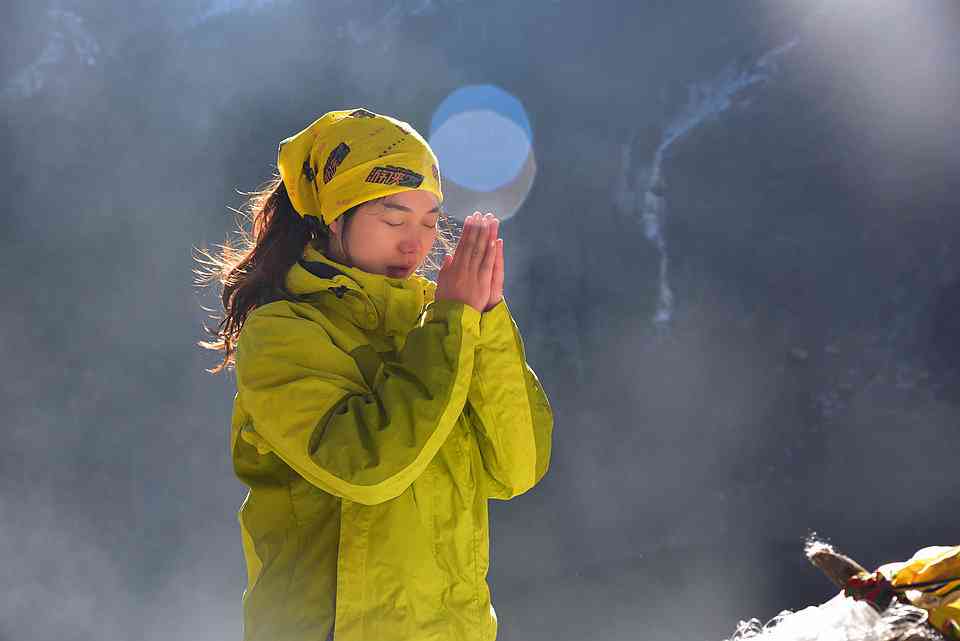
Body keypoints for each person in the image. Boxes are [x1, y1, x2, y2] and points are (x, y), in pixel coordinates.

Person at [195, 108, 554, 641]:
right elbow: (367, 470)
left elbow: (515, 468)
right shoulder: (284, 333)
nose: (416, 243)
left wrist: (486, 318)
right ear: (335, 218)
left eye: (431, 222)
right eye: (393, 220)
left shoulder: (440, 323)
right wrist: (454, 324)